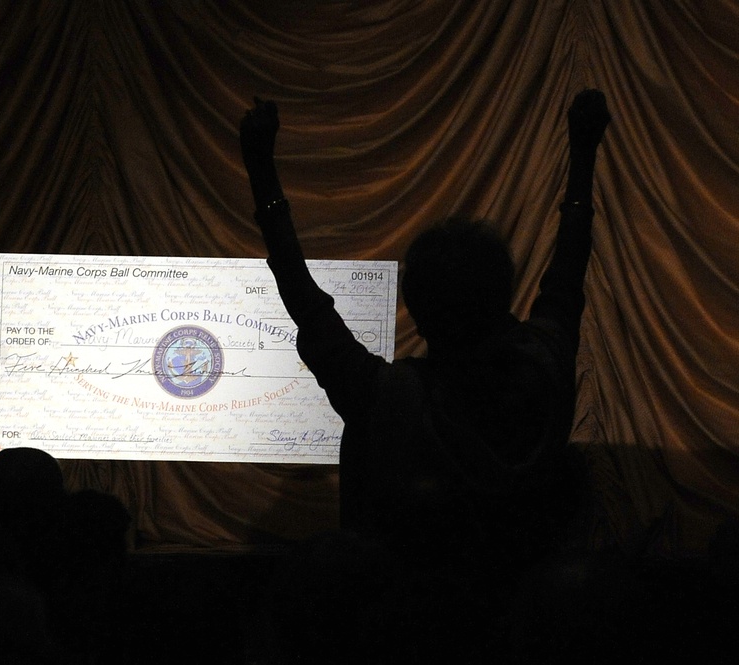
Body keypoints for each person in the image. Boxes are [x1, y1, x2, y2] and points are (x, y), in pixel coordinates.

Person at [239, 90, 610, 574]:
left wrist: (262, 174)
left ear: (415, 310)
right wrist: (583, 153)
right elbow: (566, 274)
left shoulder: (390, 399)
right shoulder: (545, 365)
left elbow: (306, 304)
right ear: (503, 296)